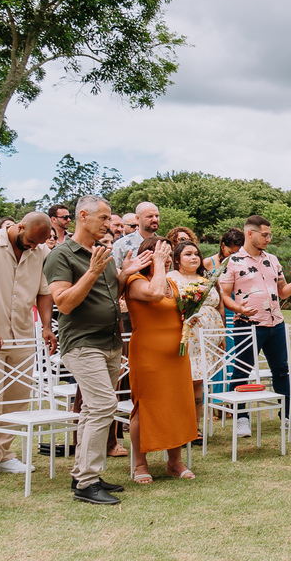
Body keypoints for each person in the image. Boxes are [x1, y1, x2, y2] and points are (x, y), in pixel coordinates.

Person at [43, 195, 125, 505]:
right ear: (83, 216)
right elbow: (63, 302)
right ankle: (86, 484)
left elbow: (112, 291)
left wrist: (128, 270)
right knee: (104, 404)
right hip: (81, 343)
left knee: (93, 408)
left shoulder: (103, 253)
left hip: (110, 341)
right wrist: (91, 272)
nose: (108, 224)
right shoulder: (61, 255)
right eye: (103, 218)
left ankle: (84, 473)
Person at [0, 212, 56, 481]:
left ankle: (3, 455)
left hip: (23, 333)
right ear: (20, 226)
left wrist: (47, 327)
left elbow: (44, 291)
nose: (32, 246)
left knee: (18, 399)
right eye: (29, 240)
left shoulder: (39, 252)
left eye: (38, 243)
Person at [218, 215, 291, 436]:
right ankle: (241, 418)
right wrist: (238, 309)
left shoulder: (273, 260)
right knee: (242, 370)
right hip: (247, 324)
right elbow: (225, 296)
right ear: (250, 233)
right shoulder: (232, 262)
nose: (268, 239)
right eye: (265, 235)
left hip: (275, 323)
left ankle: (287, 416)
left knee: (282, 370)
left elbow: (283, 292)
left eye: (270, 235)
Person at [125, 238, 197, 483]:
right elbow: (154, 296)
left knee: (175, 404)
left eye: (167, 253)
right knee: (144, 407)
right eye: (163, 252)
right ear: (149, 255)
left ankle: (174, 462)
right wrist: (157, 264)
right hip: (148, 355)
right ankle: (140, 464)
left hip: (175, 355)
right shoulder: (135, 281)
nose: (168, 256)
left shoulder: (168, 281)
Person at [169, 240, 224, 435]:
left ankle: (195, 426)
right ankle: (179, 426)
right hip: (185, 337)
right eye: (188, 254)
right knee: (184, 382)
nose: (194, 257)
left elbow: (219, 305)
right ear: (177, 260)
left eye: (196, 254)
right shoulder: (171, 278)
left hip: (208, 338)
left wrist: (221, 334)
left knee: (199, 382)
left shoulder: (207, 277)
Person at [112, 201, 161, 273]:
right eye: (150, 216)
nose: (155, 219)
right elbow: (114, 273)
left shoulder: (163, 244)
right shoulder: (121, 245)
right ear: (137, 218)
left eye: (157, 216)